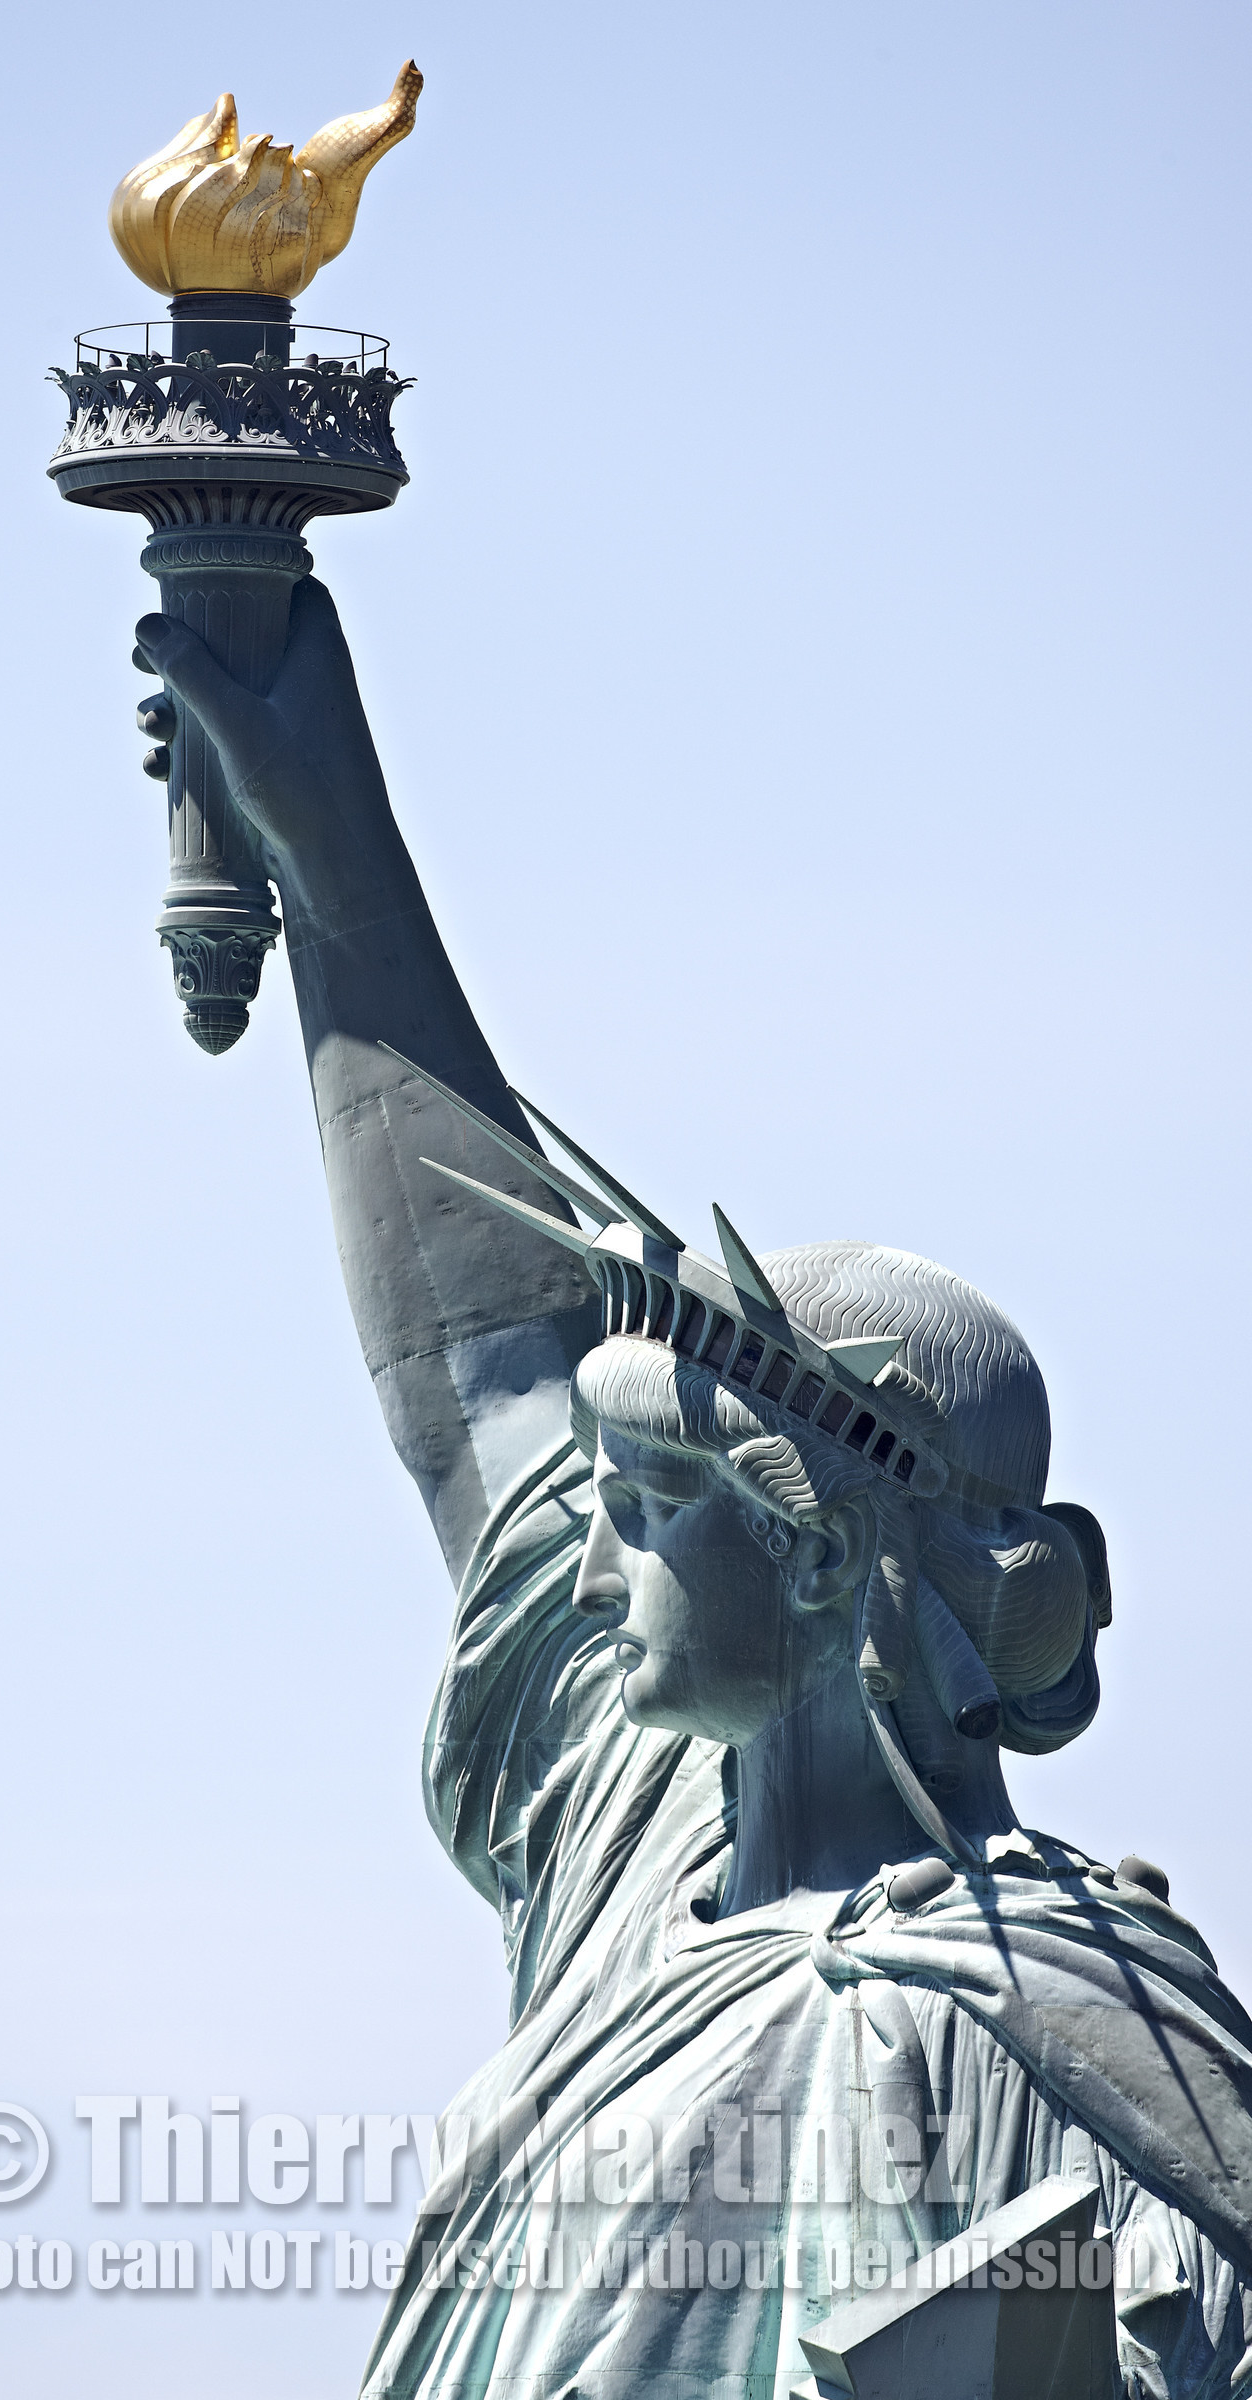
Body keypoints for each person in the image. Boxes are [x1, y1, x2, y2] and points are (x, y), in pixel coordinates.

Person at [137, 583, 1252, 2398]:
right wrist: (322, 838)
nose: (591, 1573)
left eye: (650, 1514)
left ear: (813, 1555)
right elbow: (484, 1368)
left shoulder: (1093, 2061)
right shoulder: (648, 1855)